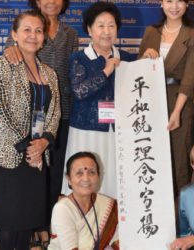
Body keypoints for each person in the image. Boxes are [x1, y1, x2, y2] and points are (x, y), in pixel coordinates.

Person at [0, 10, 60, 250]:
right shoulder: (3, 64)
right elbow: (0, 108)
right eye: (27, 29)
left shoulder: (49, 73)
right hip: (7, 152)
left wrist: (44, 141)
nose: (33, 36)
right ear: (14, 34)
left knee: (28, 218)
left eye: (38, 31)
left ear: (44, 36)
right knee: (8, 220)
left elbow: (55, 112)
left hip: (36, 153)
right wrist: (25, 146)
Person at [4, 0, 78, 246]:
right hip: (29, 118)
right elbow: (9, 58)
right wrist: (9, 49)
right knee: (31, 176)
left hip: (61, 113)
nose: (51, 1)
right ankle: (31, 226)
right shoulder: (27, 28)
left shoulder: (71, 33)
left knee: (53, 173)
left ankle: (47, 227)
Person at [61, 2, 135, 198]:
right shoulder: (79, 58)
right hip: (86, 132)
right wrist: (106, 71)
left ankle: (113, 226)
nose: (106, 31)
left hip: (118, 131)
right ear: (89, 29)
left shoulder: (128, 58)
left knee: (115, 183)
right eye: (100, 25)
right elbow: (79, 91)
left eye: (111, 25)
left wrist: (149, 58)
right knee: (86, 183)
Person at [138, 0, 194, 194]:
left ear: (187, 5)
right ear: (161, 4)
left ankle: (179, 212)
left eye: (179, 1)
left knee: (179, 160)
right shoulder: (151, 31)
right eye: (169, 1)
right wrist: (144, 58)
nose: (174, 6)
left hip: (179, 103)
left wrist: (177, 112)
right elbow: (139, 73)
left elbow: (190, 79)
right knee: (151, 156)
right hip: (151, 101)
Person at [48, 152, 119, 250]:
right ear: (69, 179)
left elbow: (118, 242)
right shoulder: (63, 209)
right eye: (79, 173)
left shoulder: (107, 204)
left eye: (91, 172)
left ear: (98, 176)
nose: (86, 178)